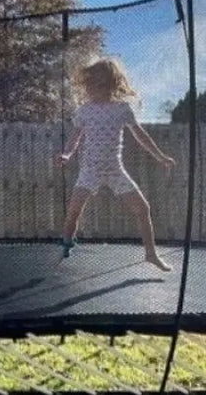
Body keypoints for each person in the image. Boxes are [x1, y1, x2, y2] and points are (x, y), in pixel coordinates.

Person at [55, 58, 174, 272]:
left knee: (143, 208)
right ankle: (67, 241)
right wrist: (66, 155)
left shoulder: (122, 109)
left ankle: (151, 254)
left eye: (94, 84)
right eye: (88, 84)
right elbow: (75, 137)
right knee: (73, 211)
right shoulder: (85, 111)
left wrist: (160, 157)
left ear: (108, 84)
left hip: (114, 170)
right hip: (89, 170)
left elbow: (141, 136)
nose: (89, 89)